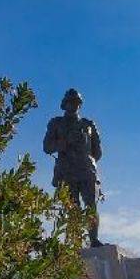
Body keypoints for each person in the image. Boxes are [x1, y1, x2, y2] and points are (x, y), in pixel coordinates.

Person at [43, 88, 104, 247]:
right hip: (67, 171)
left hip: (86, 170)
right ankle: (76, 242)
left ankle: (94, 239)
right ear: (65, 104)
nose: (74, 105)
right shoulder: (56, 123)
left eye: (77, 102)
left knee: (91, 205)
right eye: (71, 102)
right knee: (72, 208)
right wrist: (63, 144)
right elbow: (47, 147)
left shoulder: (88, 124)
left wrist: (86, 159)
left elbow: (97, 152)